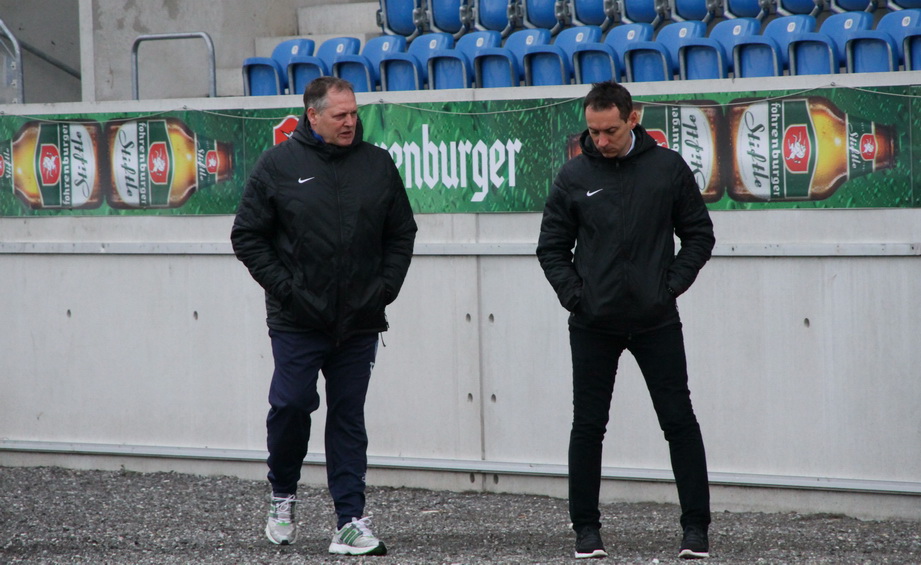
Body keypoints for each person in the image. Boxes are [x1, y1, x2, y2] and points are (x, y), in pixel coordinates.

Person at [231, 76, 417, 556]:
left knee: (348, 417)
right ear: (313, 116)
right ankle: (282, 494)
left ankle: (350, 520)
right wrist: (287, 290)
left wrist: (384, 289)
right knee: (292, 406)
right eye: (340, 115)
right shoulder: (277, 165)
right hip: (297, 319)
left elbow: (402, 232)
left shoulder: (377, 164)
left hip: (359, 320)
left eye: (354, 113)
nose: (350, 122)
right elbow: (247, 235)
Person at [536, 81, 715, 560]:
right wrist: (577, 298)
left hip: (656, 320)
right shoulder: (573, 175)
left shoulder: (667, 168)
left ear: (633, 118)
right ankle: (586, 532)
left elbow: (699, 235)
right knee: (588, 426)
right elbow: (551, 248)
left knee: (678, 421)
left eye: (609, 131)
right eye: (593, 132)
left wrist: (668, 287)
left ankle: (696, 529)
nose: (600, 140)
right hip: (593, 323)